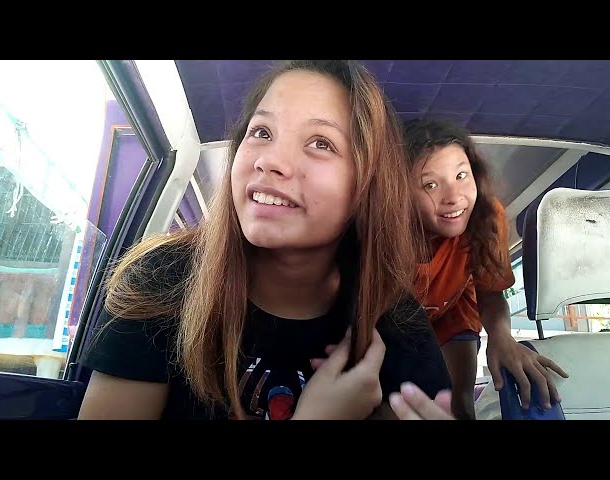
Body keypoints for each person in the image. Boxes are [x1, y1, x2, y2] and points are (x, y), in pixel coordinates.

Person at [77, 60, 451, 420]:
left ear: (367, 186)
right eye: (262, 133)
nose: (270, 161)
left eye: (321, 143)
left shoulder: (398, 322)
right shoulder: (163, 281)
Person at [403, 118, 568, 420]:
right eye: (430, 184)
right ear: (401, 192)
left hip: (454, 309)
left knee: (456, 403)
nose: (453, 197)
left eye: (461, 175)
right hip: (394, 318)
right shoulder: (383, 233)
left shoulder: (486, 218)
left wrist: (502, 337)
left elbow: (490, 295)